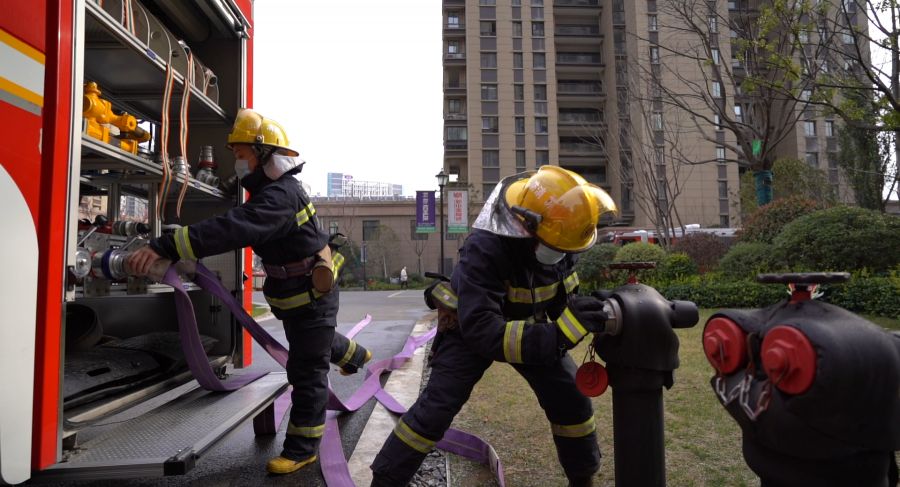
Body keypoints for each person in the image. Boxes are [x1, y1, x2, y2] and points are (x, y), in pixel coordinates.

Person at [127, 108, 372, 475]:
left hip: (311, 297)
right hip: (296, 297)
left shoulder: (279, 197)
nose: (237, 163)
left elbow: (234, 227)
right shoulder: (271, 189)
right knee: (314, 343)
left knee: (306, 369)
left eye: (241, 155)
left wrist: (169, 245)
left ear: (263, 156)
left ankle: (302, 447)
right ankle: (356, 355)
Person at [370, 166, 618, 487]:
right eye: (555, 248)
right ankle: (386, 480)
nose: (559, 256)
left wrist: (589, 312)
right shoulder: (486, 247)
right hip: (469, 327)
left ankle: (582, 478)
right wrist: (561, 333)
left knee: (570, 398)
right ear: (525, 225)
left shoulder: (561, 240)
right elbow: (484, 332)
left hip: (532, 327)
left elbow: (561, 296)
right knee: (437, 408)